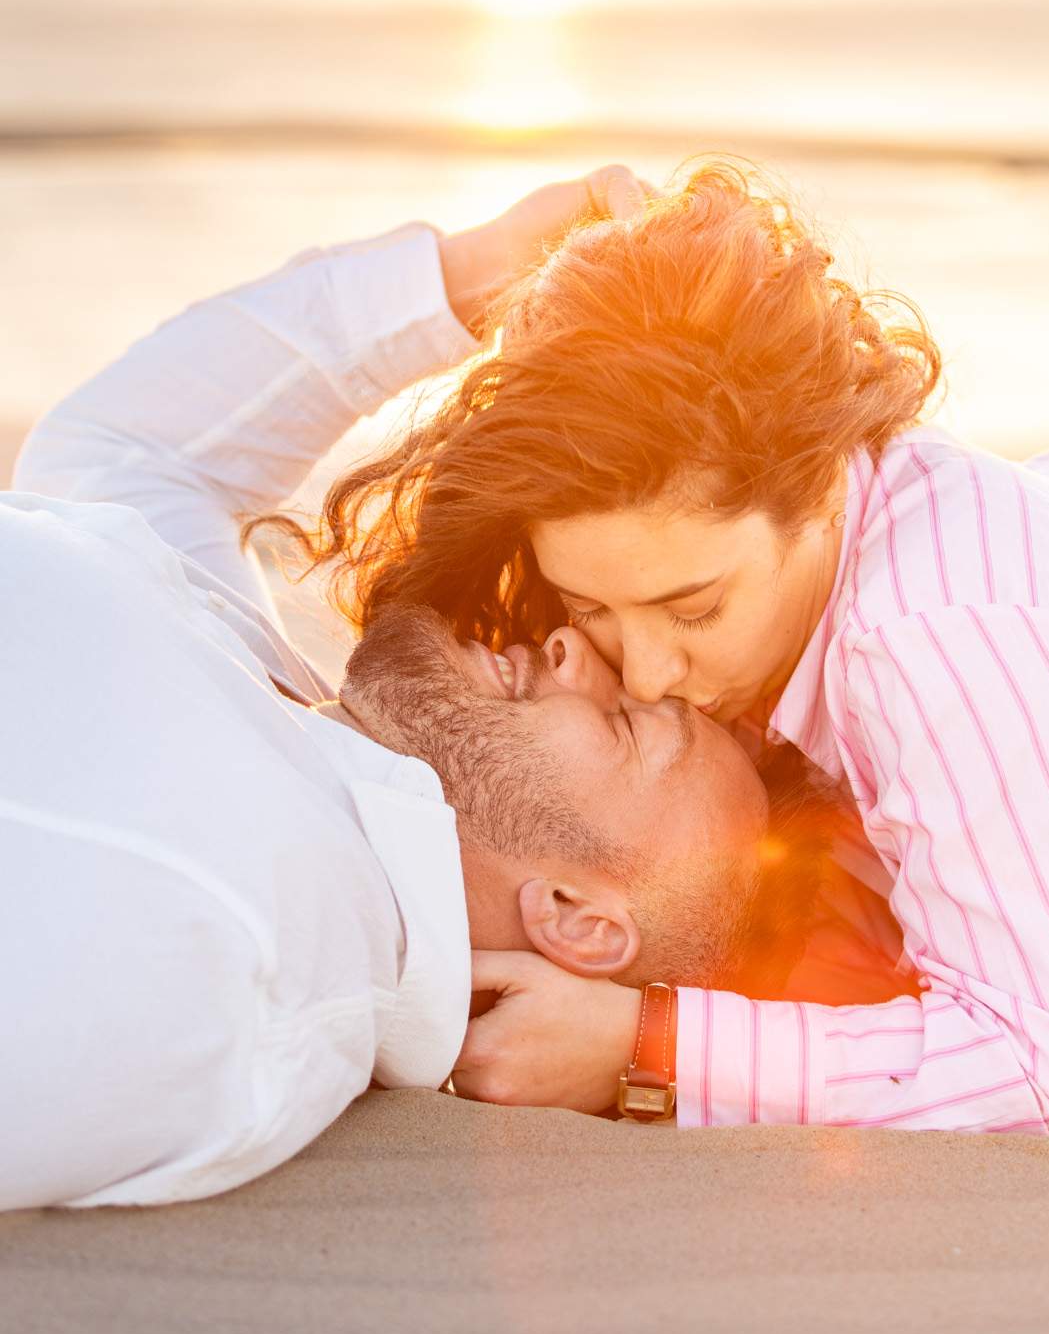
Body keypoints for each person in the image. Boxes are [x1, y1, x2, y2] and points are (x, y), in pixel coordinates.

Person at [308, 162, 1049, 1134]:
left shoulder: (939, 635)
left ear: (817, 487)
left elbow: (1042, 1068)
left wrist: (644, 1040)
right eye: (595, 608)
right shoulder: (875, 552)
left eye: (693, 607)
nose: (650, 672)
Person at [2, 168, 771, 1210]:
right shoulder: (279, 699)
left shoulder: (243, 970)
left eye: (632, 724)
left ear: (577, 919)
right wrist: (479, 274)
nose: (571, 649)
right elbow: (131, 455)